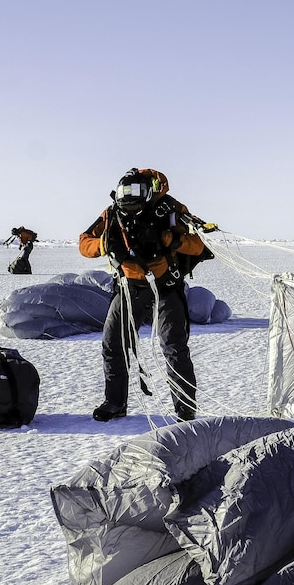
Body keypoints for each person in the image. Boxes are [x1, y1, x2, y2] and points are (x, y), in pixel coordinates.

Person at [79, 167, 215, 422]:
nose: (129, 197)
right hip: (128, 287)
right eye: (124, 191)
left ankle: (185, 408)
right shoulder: (112, 214)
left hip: (166, 287)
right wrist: (102, 244)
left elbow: (198, 244)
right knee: (113, 344)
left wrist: (171, 241)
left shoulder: (171, 209)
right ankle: (115, 403)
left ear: (149, 191)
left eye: (136, 191)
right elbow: (83, 242)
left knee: (174, 346)